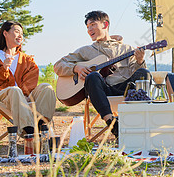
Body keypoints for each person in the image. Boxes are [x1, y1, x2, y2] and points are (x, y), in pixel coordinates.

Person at [54, 10, 149, 138]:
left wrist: (140, 61)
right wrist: (76, 68)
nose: (89, 29)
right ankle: (112, 123)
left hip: (127, 90)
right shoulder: (86, 51)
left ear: (105, 24)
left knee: (144, 72)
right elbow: (58, 65)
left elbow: (137, 73)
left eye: (93, 25)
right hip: (102, 92)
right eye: (87, 27)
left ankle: (139, 123)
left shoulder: (127, 49)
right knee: (92, 76)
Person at [0, 21, 56, 135]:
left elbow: (31, 81)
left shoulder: (27, 60)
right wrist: (2, 70)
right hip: (3, 95)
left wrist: (24, 95)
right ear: (5, 33)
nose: (20, 35)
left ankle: (41, 124)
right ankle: (29, 131)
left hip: (25, 96)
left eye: (22, 33)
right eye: (17, 31)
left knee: (47, 87)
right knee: (15, 90)